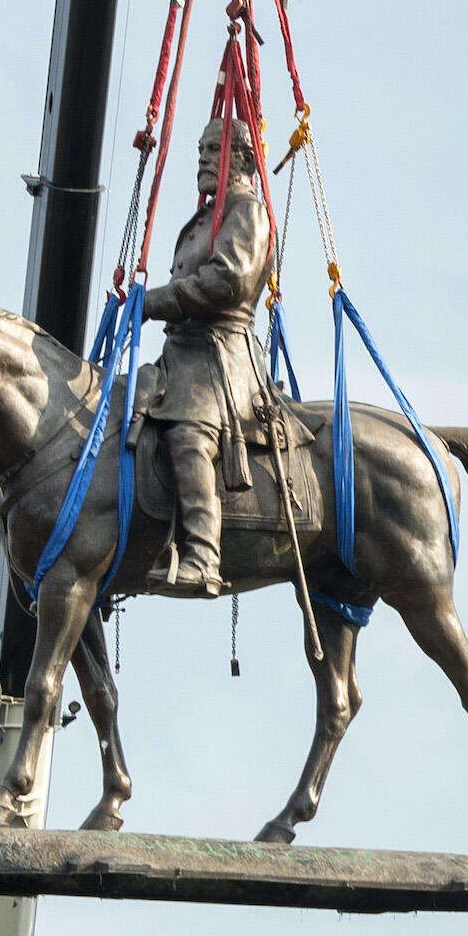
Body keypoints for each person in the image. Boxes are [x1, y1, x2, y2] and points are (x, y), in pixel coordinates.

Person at [139, 116, 275, 597]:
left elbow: (226, 281)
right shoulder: (206, 218)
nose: (202, 158)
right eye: (201, 149)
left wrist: (151, 302)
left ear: (241, 158)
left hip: (221, 357)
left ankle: (202, 556)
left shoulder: (247, 210)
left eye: (213, 149)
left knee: (187, 431)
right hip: (182, 351)